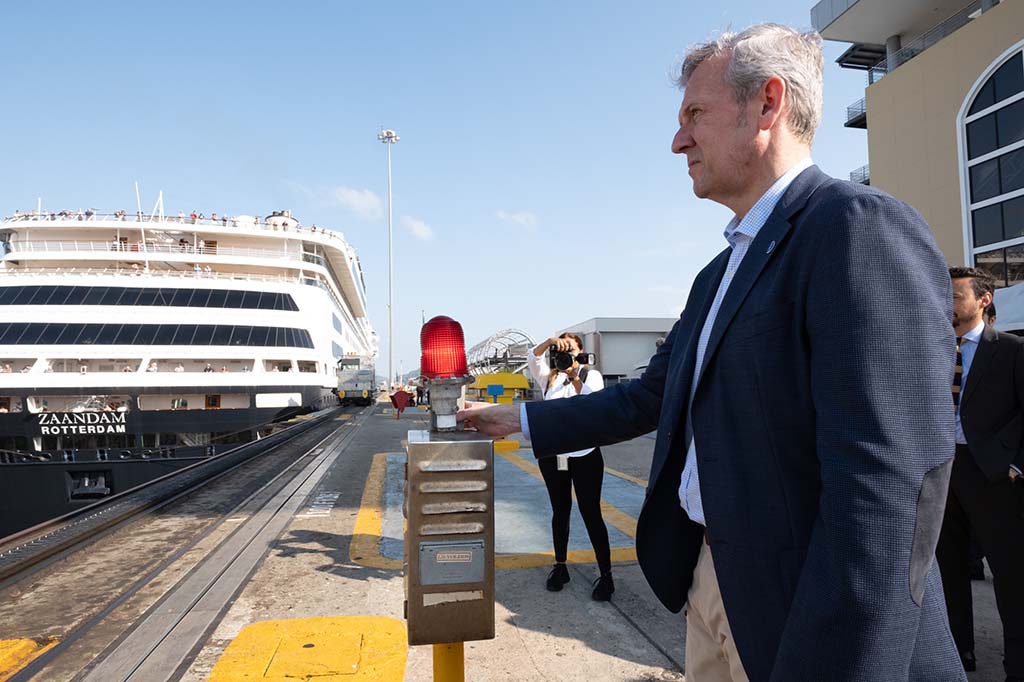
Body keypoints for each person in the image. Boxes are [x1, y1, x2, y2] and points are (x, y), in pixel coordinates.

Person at [460, 24, 962, 682]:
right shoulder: (717, 274)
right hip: (710, 582)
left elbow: (889, 491)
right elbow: (649, 395)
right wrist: (517, 420)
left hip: (804, 607)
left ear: (767, 104)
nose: (678, 140)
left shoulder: (856, 230)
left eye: (695, 114)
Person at [936, 267, 1024, 680]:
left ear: (983, 300)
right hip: (940, 472)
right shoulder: (932, 350)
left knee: (1010, 576)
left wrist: (1013, 465)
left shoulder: (1010, 350)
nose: (946, 304)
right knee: (947, 571)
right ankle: (959, 655)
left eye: (954, 296)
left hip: (991, 475)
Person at [529, 333, 613, 601]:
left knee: (590, 512)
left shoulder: (591, 375)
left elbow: (595, 404)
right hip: (554, 457)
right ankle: (560, 566)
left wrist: (574, 373)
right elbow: (533, 356)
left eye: (571, 348)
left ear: (581, 351)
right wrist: (551, 341)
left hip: (585, 454)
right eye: (562, 350)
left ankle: (606, 575)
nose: (565, 354)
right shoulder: (548, 377)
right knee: (560, 510)